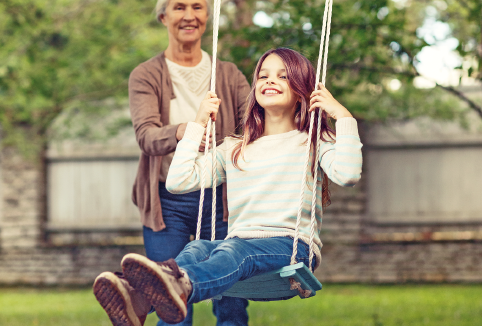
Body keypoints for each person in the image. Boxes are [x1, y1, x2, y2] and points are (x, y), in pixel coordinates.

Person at [117, 47, 363, 324]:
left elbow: (348, 174)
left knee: (232, 250)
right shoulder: (235, 147)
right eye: (263, 76)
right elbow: (178, 181)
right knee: (198, 249)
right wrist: (197, 125)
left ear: (302, 91)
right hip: (240, 245)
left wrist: (343, 117)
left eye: (283, 76)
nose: (270, 81)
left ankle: (180, 287)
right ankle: (138, 298)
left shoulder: (315, 140)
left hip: (290, 248)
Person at [92, 0, 250, 325]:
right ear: (163, 16)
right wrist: (184, 131)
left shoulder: (229, 75)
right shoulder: (146, 75)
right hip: (168, 200)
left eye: (197, 7)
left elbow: (252, 128)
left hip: (221, 198)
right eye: (179, 7)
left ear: (208, 16)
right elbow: (146, 136)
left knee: (232, 300)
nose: (189, 16)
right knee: (170, 303)